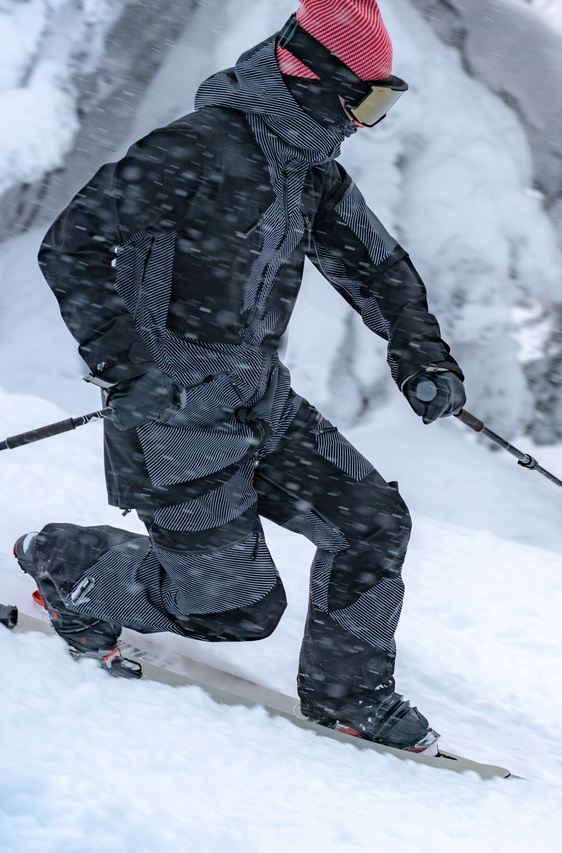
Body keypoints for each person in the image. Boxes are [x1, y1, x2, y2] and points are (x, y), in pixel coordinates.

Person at [12, 0, 465, 755]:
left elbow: (377, 266)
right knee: (237, 611)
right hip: (174, 420)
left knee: (372, 522)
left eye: (381, 100)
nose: (365, 119)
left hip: (258, 400)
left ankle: (347, 693)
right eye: (365, 96)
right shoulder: (195, 147)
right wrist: (129, 368)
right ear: (311, 78)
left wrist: (420, 351)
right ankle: (68, 563)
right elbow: (71, 245)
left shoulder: (308, 169)